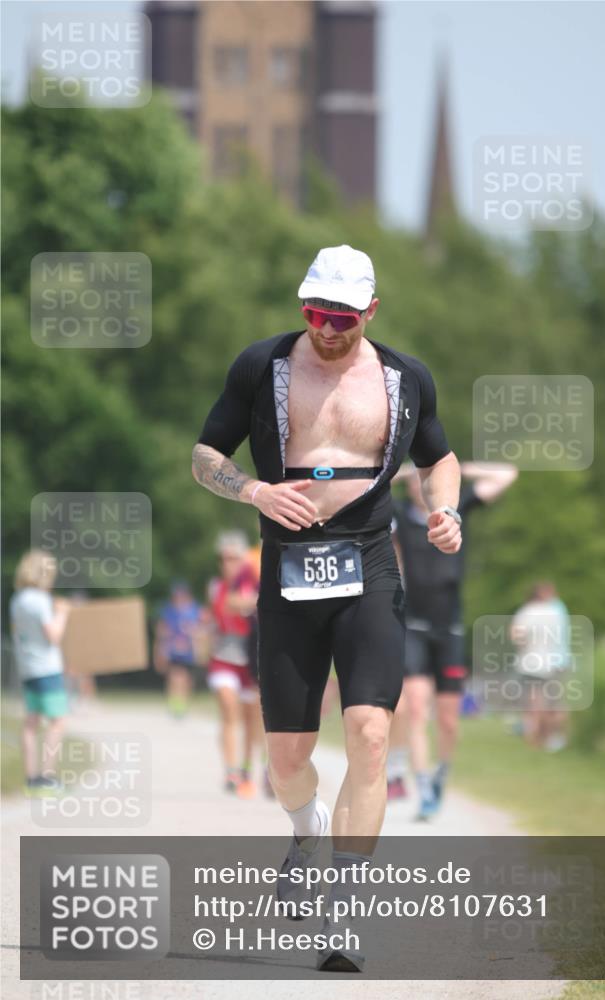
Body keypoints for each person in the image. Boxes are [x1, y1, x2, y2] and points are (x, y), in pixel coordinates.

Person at [192, 243, 461, 972]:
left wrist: (447, 512)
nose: (327, 328)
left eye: (342, 317)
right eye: (314, 313)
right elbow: (205, 454)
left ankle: (344, 916)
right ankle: (303, 829)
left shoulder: (405, 378)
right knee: (287, 759)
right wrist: (253, 490)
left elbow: (439, 457)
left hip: (370, 567)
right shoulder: (263, 367)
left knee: (372, 735)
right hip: (287, 571)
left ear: (371, 311)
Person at [388, 461, 518, 819]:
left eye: (428, 477)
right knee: (415, 707)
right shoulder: (398, 512)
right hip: (412, 625)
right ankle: (424, 782)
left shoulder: (455, 511)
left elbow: (507, 474)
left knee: (448, 720)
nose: (422, 483)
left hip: (450, 629)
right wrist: (400, 471)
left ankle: (442, 770)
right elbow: (367, 486)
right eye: (417, 479)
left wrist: (455, 468)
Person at [9, 549, 71, 793]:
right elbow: (53, 635)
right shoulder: (40, 599)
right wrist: (63, 614)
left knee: (30, 723)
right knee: (57, 721)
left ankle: (31, 779)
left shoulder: (18, 599)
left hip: (27, 668)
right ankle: (46, 777)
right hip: (47, 668)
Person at [207, 531, 262, 796]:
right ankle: (230, 769)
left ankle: (246, 767)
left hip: (251, 657)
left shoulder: (255, 583)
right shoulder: (216, 587)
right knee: (229, 708)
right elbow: (222, 611)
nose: (229, 564)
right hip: (223, 657)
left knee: (252, 717)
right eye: (225, 559)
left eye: (235, 558)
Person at [510, 581, 571, 752]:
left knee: (535, 702)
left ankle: (535, 737)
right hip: (554, 663)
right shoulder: (557, 611)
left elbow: (516, 636)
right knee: (553, 702)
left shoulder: (527, 612)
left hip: (530, 663)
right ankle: (550, 736)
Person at [153, 580, 203, 719]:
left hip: (189, 651)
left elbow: (202, 631)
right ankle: (175, 706)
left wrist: (200, 648)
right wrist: (159, 651)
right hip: (173, 651)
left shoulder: (195, 610)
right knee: (175, 677)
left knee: (186, 680)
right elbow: (162, 631)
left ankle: (183, 704)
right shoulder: (168, 610)